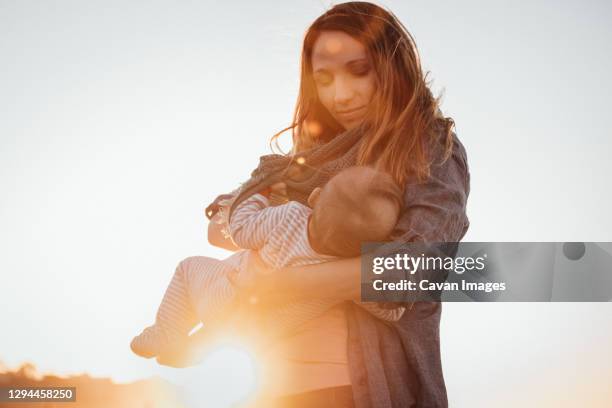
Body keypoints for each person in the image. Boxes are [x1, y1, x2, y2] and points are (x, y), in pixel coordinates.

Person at [169, 2, 469, 407]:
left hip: (357, 389)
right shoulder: (303, 161)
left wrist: (284, 281)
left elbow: (414, 269)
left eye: (359, 70)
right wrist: (277, 229)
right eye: (324, 79)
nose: (340, 95)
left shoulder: (426, 146)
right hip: (270, 386)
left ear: (393, 65)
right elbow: (224, 226)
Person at [130, 166, 405, 359]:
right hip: (260, 340)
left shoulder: (290, 217)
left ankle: (168, 329)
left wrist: (259, 193)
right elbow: (391, 310)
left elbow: (239, 229)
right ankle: (193, 346)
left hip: (223, 296)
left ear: (315, 196)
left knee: (188, 267)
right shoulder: (348, 274)